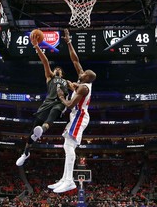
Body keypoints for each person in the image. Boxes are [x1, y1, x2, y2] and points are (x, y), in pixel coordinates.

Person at [47, 29, 97, 193]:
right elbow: (75, 60)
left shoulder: (83, 88)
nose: (81, 73)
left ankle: (69, 181)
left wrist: (61, 96)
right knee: (66, 145)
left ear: (87, 79)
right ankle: (64, 178)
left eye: (84, 73)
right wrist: (68, 42)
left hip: (79, 116)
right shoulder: (82, 81)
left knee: (69, 146)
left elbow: (69, 105)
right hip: (77, 116)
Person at [16, 32, 73, 166]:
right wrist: (37, 46)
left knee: (53, 114)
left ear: (62, 73)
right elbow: (45, 61)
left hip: (60, 103)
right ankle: (25, 153)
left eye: (59, 69)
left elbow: (77, 90)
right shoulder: (50, 77)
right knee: (32, 133)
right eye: (56, 68)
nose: (57, 69)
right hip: (47, 103)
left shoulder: (67, 82)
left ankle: (42, 130)